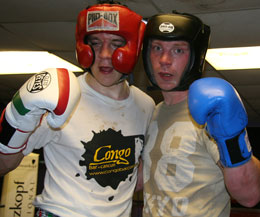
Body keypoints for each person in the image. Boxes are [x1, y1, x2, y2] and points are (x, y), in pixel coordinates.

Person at [0, 2, 155, 217]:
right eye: (96, 43)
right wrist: (17, 116)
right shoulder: (59, 97)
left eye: (116, 44)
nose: (103, 54)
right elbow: (4, 163)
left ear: (133, 47)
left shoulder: (145, 105)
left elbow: (132, 179)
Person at [141, 11, 260, 216]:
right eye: (157, 48)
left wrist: (231, 138)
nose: (164, 59)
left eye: (178, 50)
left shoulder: (208, 115)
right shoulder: (150, 113)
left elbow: (249, 196)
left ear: (195, 57)